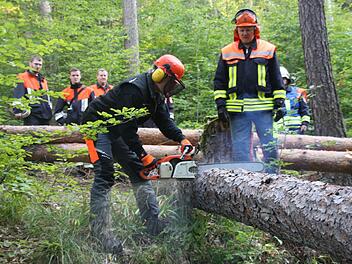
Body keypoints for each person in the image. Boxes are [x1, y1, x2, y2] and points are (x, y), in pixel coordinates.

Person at [81, 54, 194, 255]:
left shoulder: (155, 96)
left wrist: (182, 139)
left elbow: (164, 121)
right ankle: (100, 233)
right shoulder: (134, 89)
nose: (171, 88)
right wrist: (143, 154)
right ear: (161, 75)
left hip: (116, 130)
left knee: (138, 170)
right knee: (105, 173)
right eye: (171, 82)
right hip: (96, 125)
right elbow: (127, 128)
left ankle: (153, 223)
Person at [213, 9, 286, 173]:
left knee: (269, 144)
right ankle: (245, 180)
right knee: (240, 148)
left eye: (248, 29)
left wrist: (280, 102)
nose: (245, 33)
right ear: (237, 31)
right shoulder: (227, 51)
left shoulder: (268, 49)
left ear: (255, 30)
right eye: (242, 29)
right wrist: (220, 105)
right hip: (237, 110)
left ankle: (274, 177)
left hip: (263, 108)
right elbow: (219, 81)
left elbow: (276, 79)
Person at [13, 55, 53, 125]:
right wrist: (17, 111)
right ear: (30, 63)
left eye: (40, 65)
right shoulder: (22, 77)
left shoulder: (43, 80)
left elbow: (48, 97)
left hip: (45, 115)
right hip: (32, 115)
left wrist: (49, 109)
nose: (38, 66)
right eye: (36, 64)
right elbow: (18, 95)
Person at [278, 66, 310, 134]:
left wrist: (305, 123)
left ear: (287, 80)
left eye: (283, 79)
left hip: (297, 130)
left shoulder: (298, 92)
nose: (281, 81)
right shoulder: (271, 94)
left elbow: (304, 111)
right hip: (279, 131)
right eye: (279, 79)